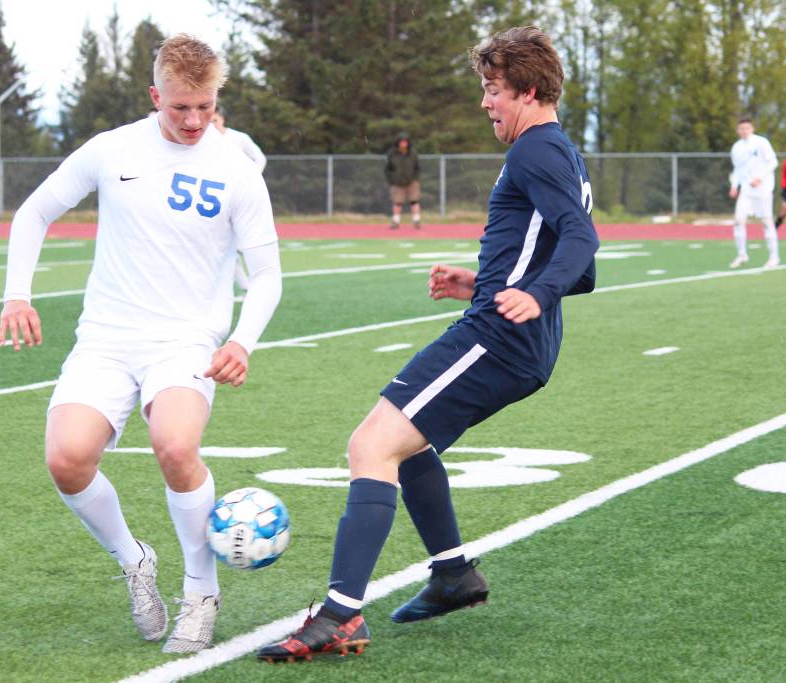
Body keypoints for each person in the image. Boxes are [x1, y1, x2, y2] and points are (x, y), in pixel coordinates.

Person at [257, 25, 599, 663]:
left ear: (526, 90)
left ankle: (341, 615)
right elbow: (576, 263)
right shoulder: (561, 151)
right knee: (410, 445)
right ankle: (452, 575)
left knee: (371, 443)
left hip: (501, 338)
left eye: (492, 89)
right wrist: (485, 281)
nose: (485, 102)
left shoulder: (534, 152)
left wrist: (534, 295)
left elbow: (581, 243)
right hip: (514, 332)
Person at [0, 34, 282, 654]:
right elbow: (34, 212)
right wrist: (17, 294)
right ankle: (135, 561)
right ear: (156, 96)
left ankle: (201, 592)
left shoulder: (236, 167)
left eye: (205, 106)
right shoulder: (112, 149)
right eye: (180, 107)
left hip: (185, 340)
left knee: (174, 445)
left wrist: (243, 341)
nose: (193, 120)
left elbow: (267, 275)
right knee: (67, 460)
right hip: (105, 339)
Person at [211, 108, 268, 289]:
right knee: (223, 244)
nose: (211, 124)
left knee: (238, 237)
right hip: (215, 196)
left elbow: (259, 158)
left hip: (238, 194)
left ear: (222, 119)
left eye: (215, 120)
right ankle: (246, 286)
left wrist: (251, 178)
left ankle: (244, 247)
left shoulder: (238, 138)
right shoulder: (204, 141)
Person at [728, 116, 780, 269]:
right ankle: (742, 254)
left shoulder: (761, 142)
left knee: (766, 222)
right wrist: (734, 186)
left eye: (747, 128)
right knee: (738, 220)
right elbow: (737, 170)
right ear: (738, 130)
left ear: (752, 129)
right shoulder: (736, 148)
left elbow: (773, 162)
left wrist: (760, 178)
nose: (744, 131)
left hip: (763, 190)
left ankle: (774, 257)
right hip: (746, 190)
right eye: (741, 129)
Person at [385, 133, 421, 229]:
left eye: (405, 142)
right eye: (401, 142)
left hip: (412, 181)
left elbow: (417, 167)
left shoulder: (412, 153)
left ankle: (416, 221)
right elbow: (388, 169)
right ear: (398, 143)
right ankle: (396, 221)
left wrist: (415, 178)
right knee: (397, 203)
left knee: (414, 201)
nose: (403, 144)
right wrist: (392, 179)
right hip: (397, 183)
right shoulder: (392, 154)